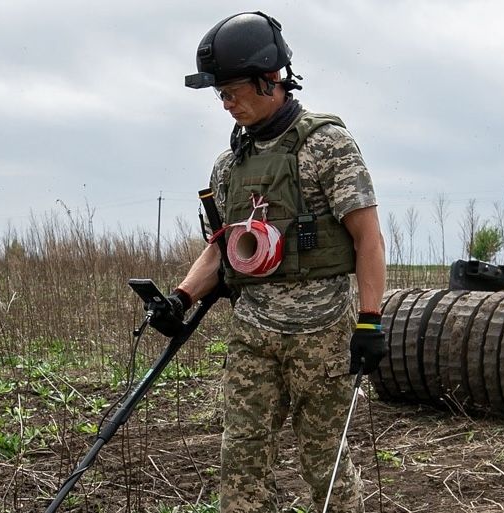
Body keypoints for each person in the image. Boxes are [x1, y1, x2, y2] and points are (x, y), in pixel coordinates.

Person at [152, 11, 387, 513]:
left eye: (234, 89)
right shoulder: (228, 165)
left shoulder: (327, 145)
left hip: (321, 336)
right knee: (240, 455)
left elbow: (368, 240)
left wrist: (370, 321)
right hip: (253, 335)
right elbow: (221, 247)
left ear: (271, 79)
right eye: (220, 94)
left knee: (322, 458)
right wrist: (181, 296)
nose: (226, 102)